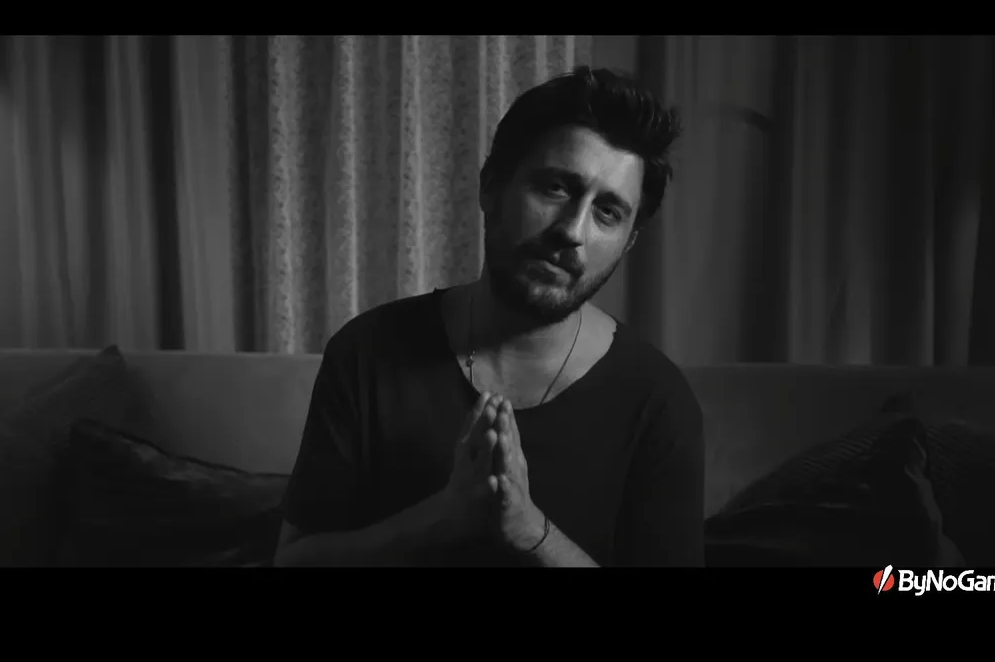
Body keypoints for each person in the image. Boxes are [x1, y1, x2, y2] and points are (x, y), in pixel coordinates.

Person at [273, 66, 705, 567]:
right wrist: (441, 519)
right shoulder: (367, 352)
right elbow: (294, 559)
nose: (572, 231)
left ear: (628, 243)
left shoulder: (658, 403)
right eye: (556, 188)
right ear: (491, 186)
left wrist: (530, 531)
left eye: (607, 212)